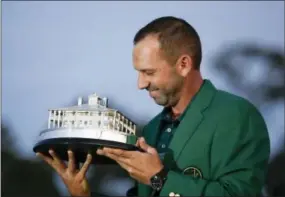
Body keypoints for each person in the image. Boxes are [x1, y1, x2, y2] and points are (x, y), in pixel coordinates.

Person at [36, 16, 270, 197]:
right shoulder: (151, 129)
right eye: (138, 73)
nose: (140, 84)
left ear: (184, 64)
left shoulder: (237, 115)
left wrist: (161, 179)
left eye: (149, 72)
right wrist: (83, 194)